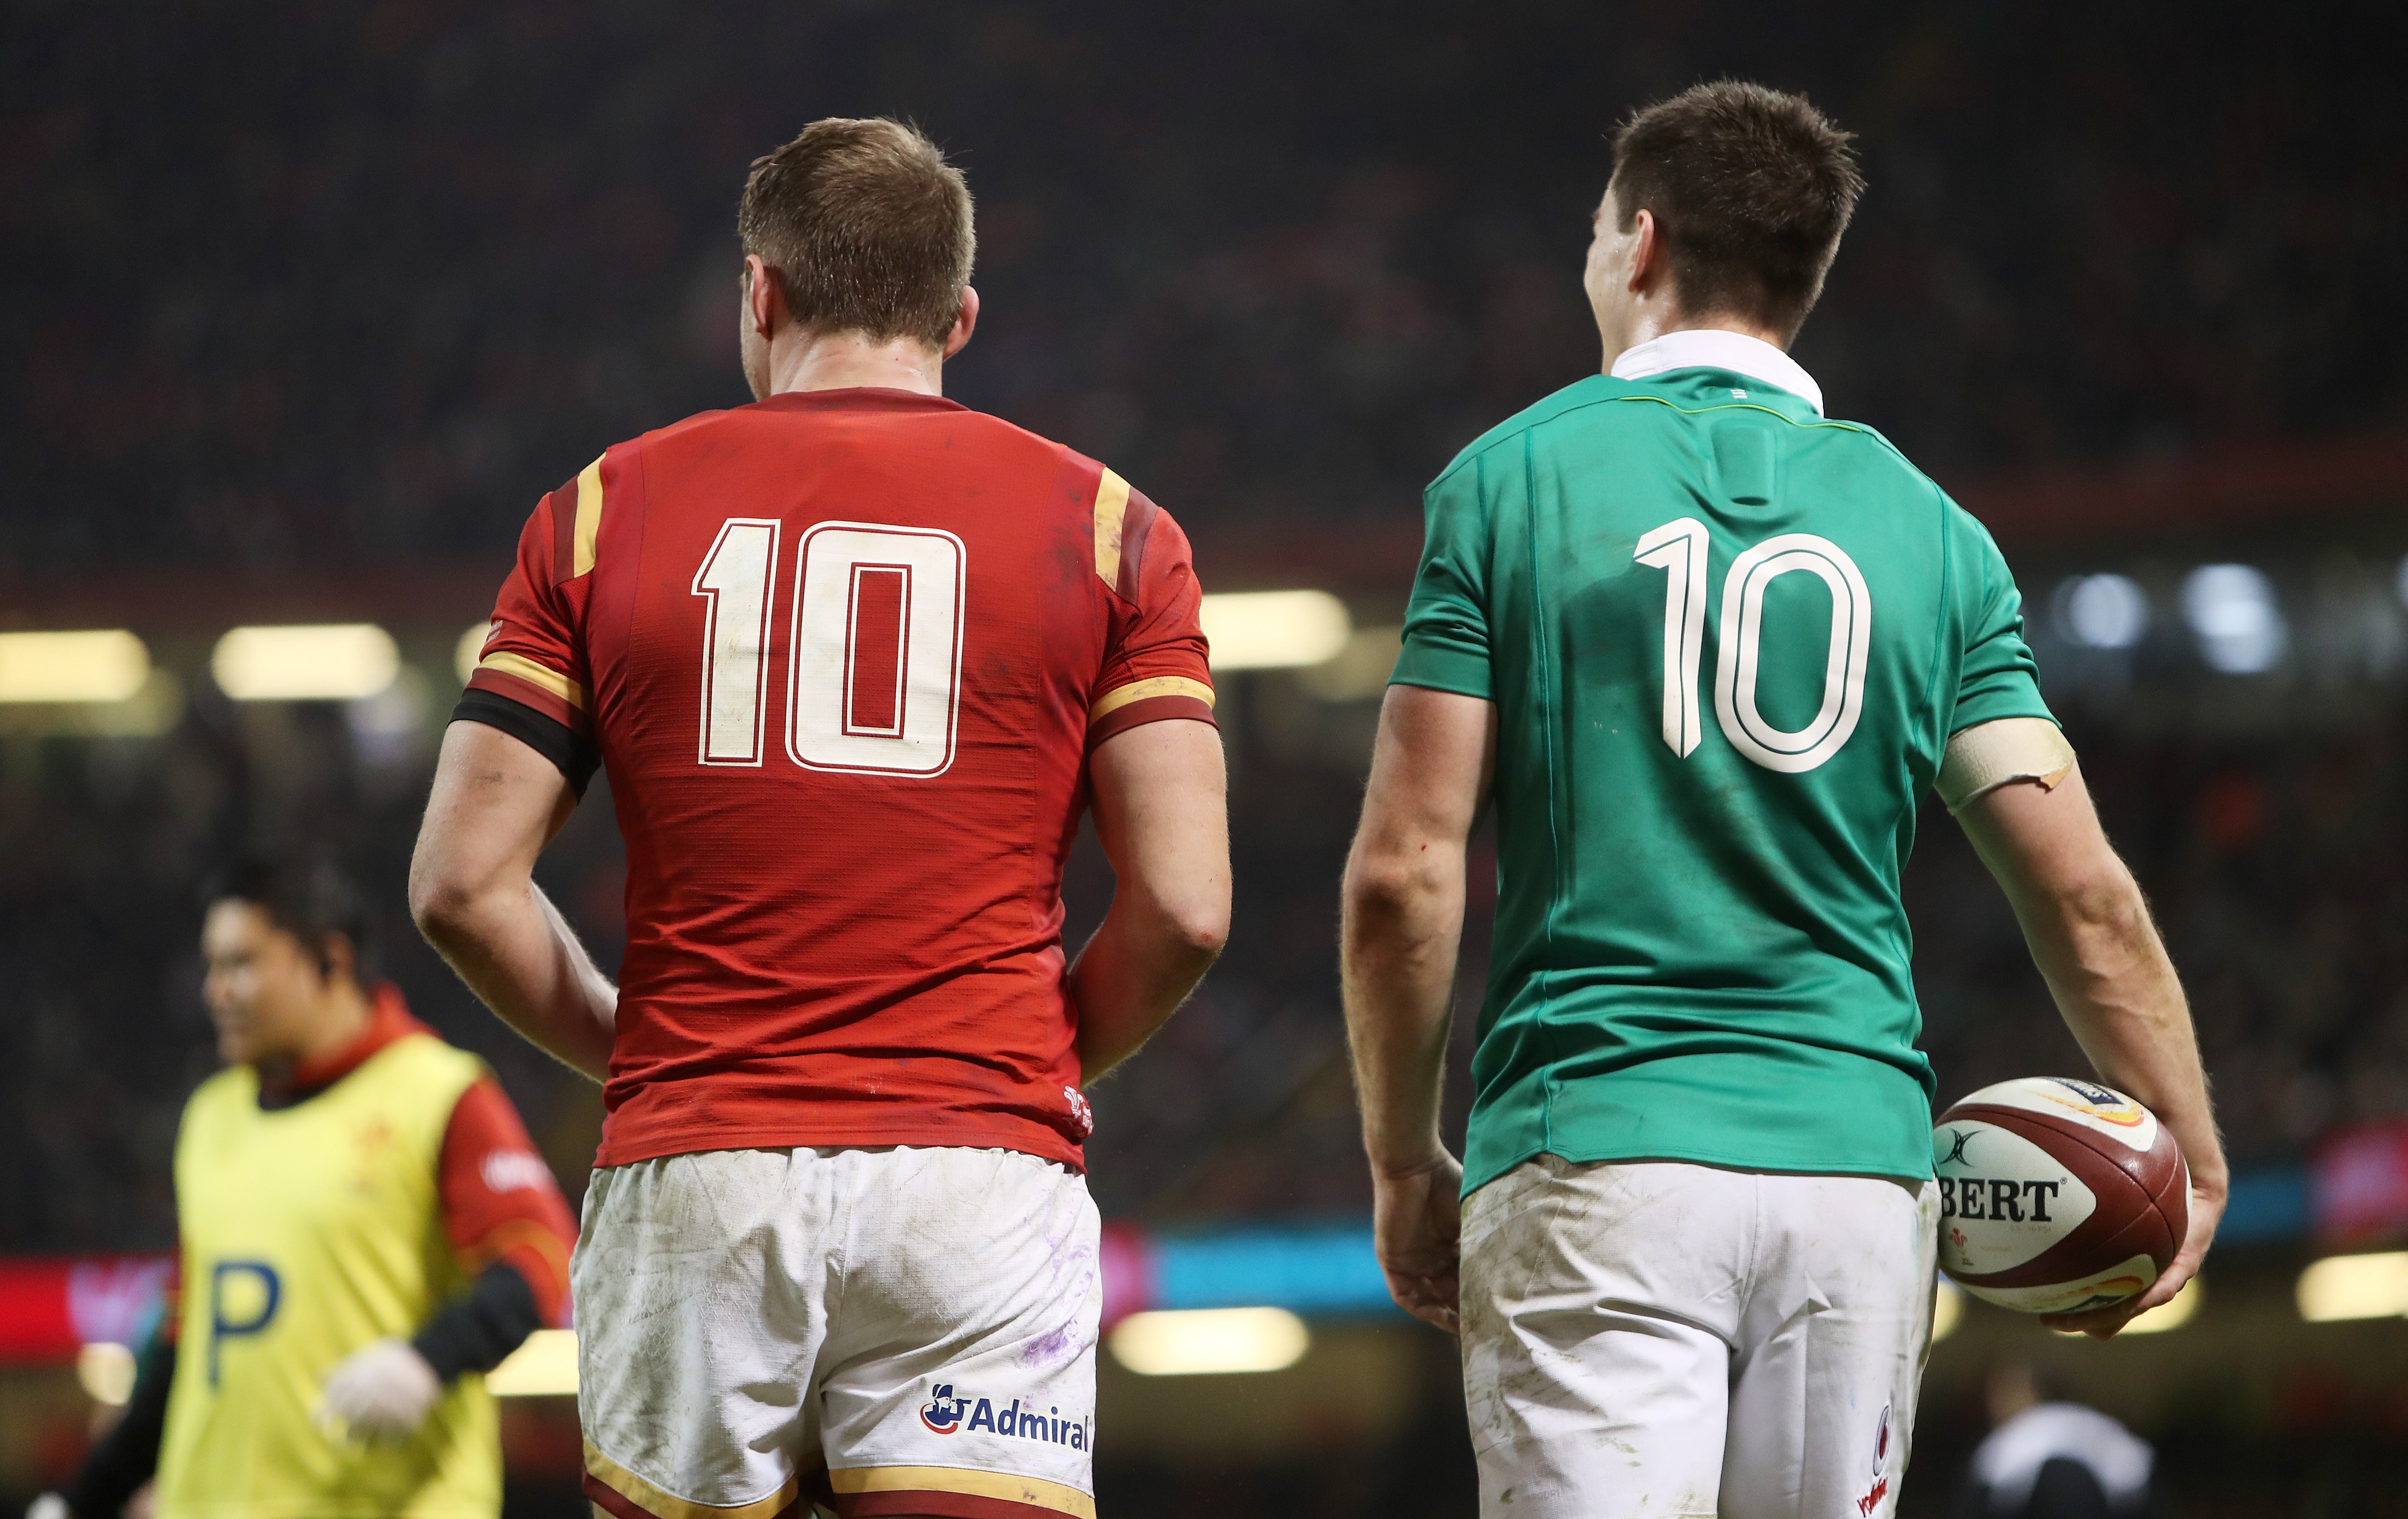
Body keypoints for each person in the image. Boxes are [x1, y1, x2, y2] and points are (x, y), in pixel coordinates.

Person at [1338, 80, 2225, 1519]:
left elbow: (1403, 872)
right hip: (1855, 1176)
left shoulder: (1507, 483)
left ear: (1636, 245)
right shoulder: (1939, 538)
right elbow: (2079, 890)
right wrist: (2187, 1142)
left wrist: (1399, 1155)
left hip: (1597, 1144)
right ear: (1804, 280)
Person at [408, 117, 1229, 1519]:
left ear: (761, 293)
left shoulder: (599, 513)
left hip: (702, 1160)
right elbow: (1189, 905)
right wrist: (1014, 1057)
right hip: (975, 1173)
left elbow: (460, 886)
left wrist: (646, 1051)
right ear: (960, 315)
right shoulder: (1112, 528)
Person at [30, 855, 577, 1519]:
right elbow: (185, 1341)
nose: (215, 991)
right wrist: (80, 1502)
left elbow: (539, 1258)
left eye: (241, 964)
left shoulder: (439, 1093)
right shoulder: (212, 1114)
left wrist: (426, 1361)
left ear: (330, 962)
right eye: (212, 966)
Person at [1958, 1365, 2155, 1518]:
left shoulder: (2010, 1439)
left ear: (2033, 1391)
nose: (1996, 1404)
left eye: (2006, 1392)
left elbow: (1978, 1502)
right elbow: (2141, 1484)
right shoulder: (2109, 1430)